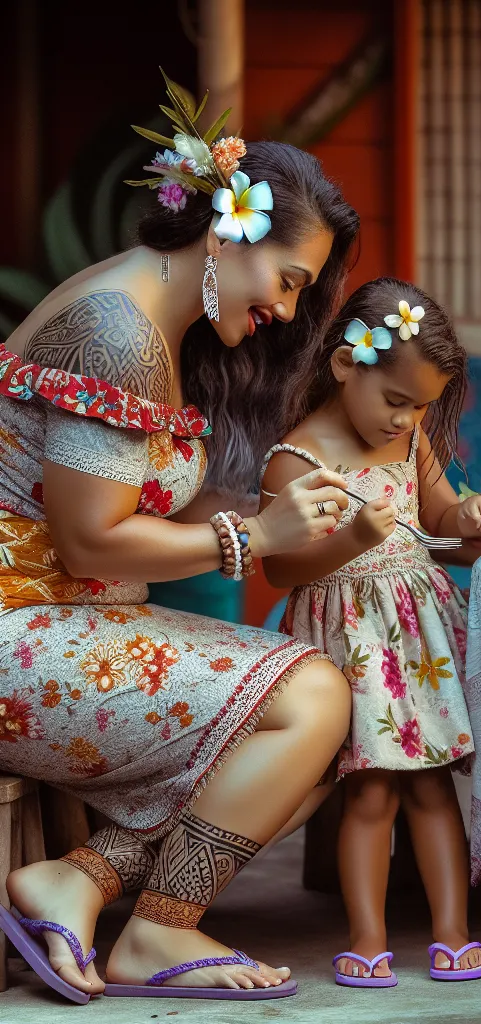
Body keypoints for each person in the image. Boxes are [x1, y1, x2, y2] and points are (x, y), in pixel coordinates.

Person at [0, 76, 359, 1003]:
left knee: (322, 733)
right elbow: (90, 544)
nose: (286, 308)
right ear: (229, 230)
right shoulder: (114, 332)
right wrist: (250, 534)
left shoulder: (151, 325)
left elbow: (131, 503)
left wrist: (285, 507)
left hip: (64, 627)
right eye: (290, 280)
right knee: (311, 695)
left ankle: (82, 879)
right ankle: (159, 933)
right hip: (17, 630)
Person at [260, 277, 481, 987]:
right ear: (346, 365)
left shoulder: (410, 440)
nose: (406, 420)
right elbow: (280, 572)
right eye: (395, 400)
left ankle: (452, 930)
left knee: (432, 786)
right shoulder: (297, 460)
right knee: (370, 791)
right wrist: (348, 542)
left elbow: (440, 519)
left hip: (417, 636)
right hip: (351, 642)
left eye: (421, 406)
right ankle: (366, 935)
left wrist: (474, 515)